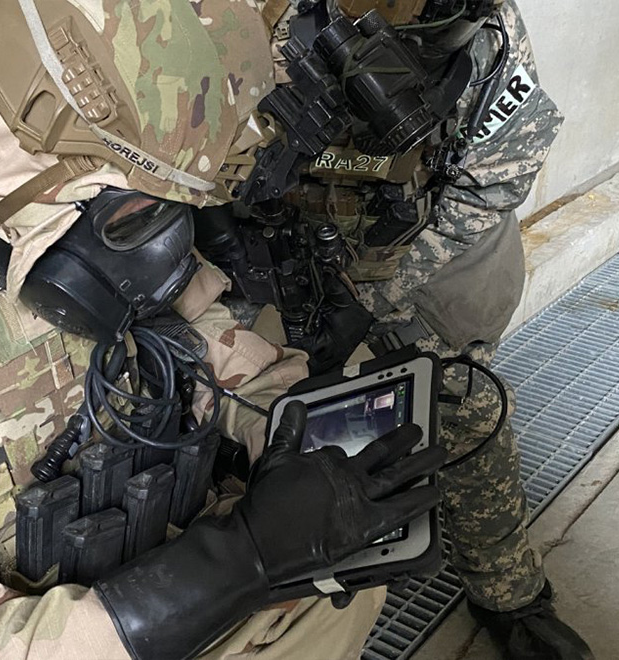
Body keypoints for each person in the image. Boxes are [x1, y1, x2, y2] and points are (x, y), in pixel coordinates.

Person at [0, 1, 442, 658]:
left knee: (347, 578)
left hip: (179, 581)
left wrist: (290, 434)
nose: (165, 244)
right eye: (143, 213)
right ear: (47, 180)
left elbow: (214, 340)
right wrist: (242, 557)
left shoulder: (84, 225)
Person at [207, 0, 596, 657]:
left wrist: (378, 294)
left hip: (423, 244)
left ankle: (512, 595)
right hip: (268, 235)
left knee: (456, 401)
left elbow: (492, 182)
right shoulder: (241, 18)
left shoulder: (483, 33)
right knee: (241, 408)